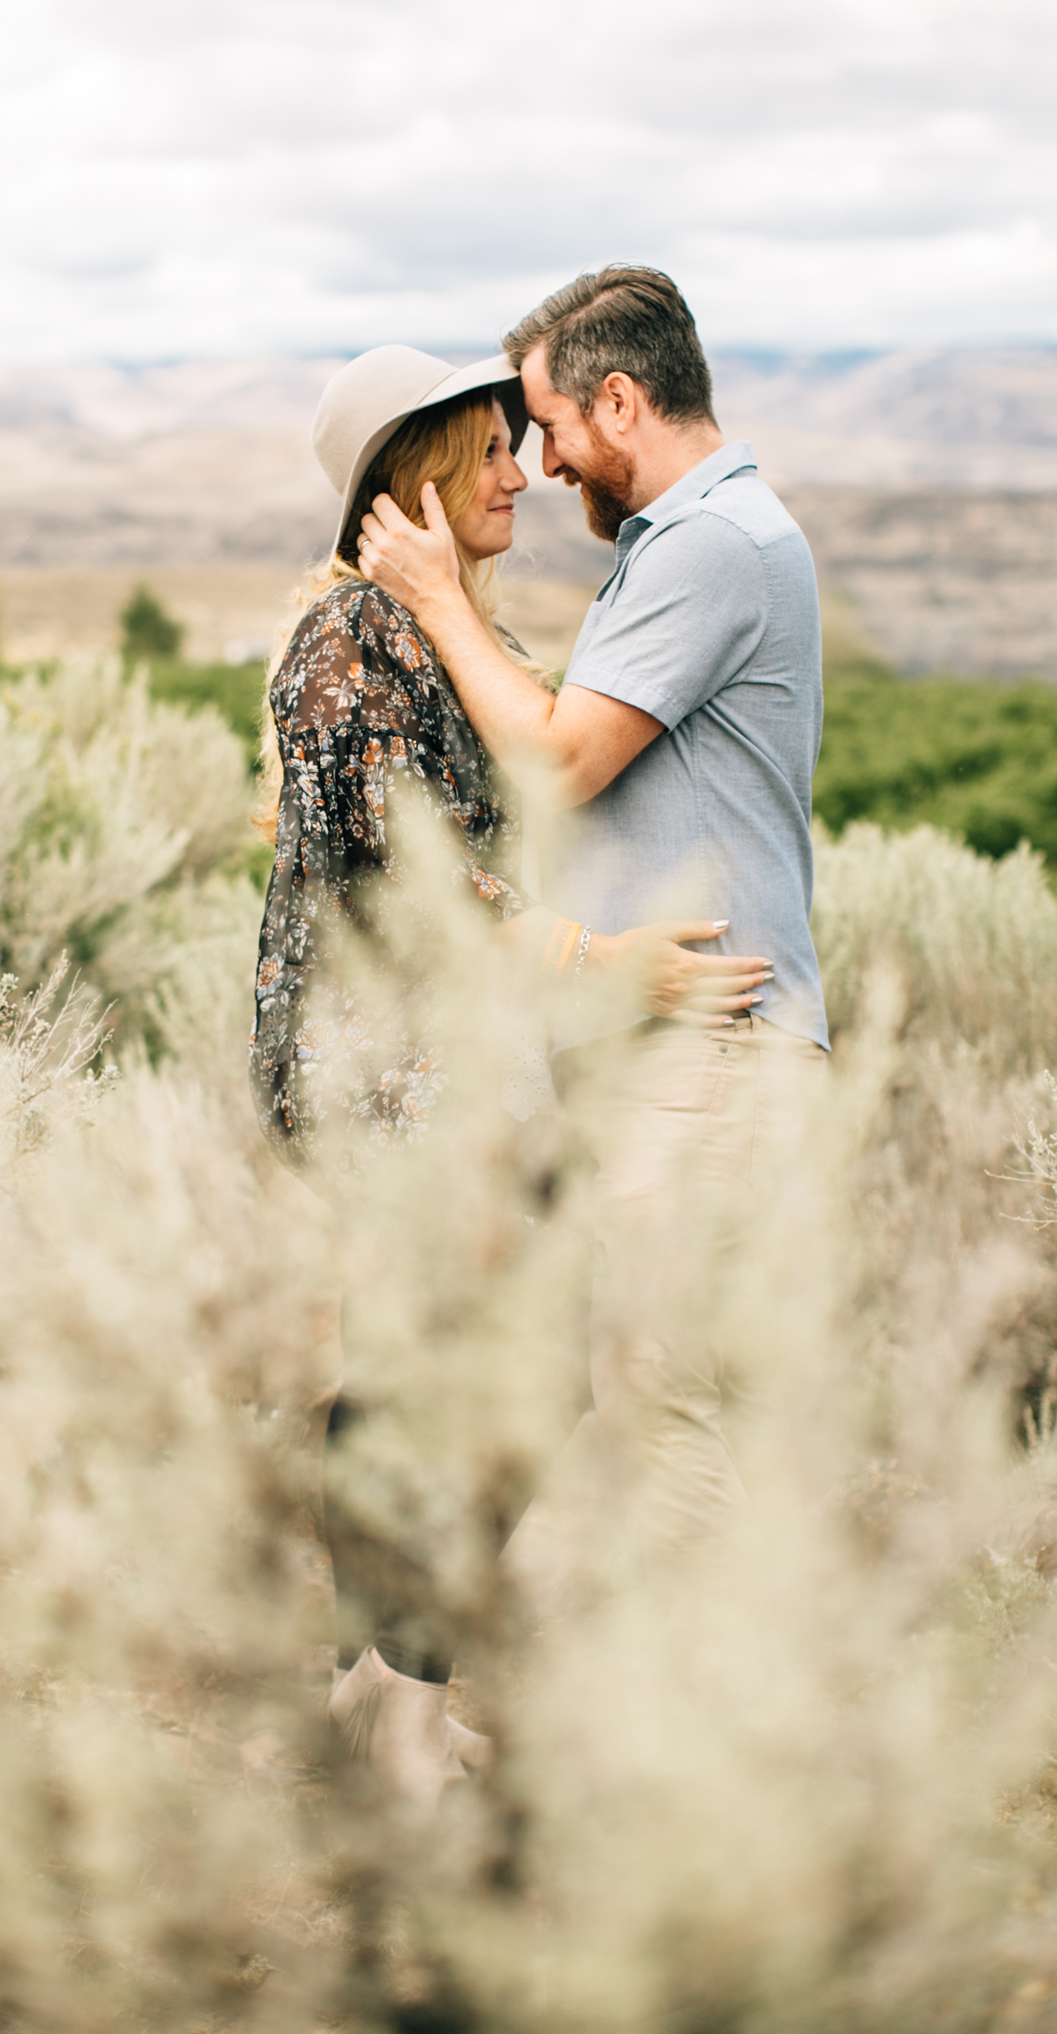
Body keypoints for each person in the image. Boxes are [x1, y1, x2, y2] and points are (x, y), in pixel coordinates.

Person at [250, 343, 769, 1805]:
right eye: (484, 451)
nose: (516, 474)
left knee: (448, 1373)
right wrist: (609, 967)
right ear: (408, 477)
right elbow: (398, 878)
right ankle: (401, 1704)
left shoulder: (423, 631)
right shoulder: (348, 639)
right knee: (482, 1375)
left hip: (457, 1064)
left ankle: (370, 1688)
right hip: (388, 1069)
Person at [355, 267, 829, 1586]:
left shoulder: (712, 546)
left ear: (622, 401)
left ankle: (671, 1743)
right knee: (636, 1397)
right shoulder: (683, 546)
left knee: (662, 1410)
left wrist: (440, 598)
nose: (544, 463)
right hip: (669, 1047)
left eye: (553, 426)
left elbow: (561, 763)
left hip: (710, 1051)